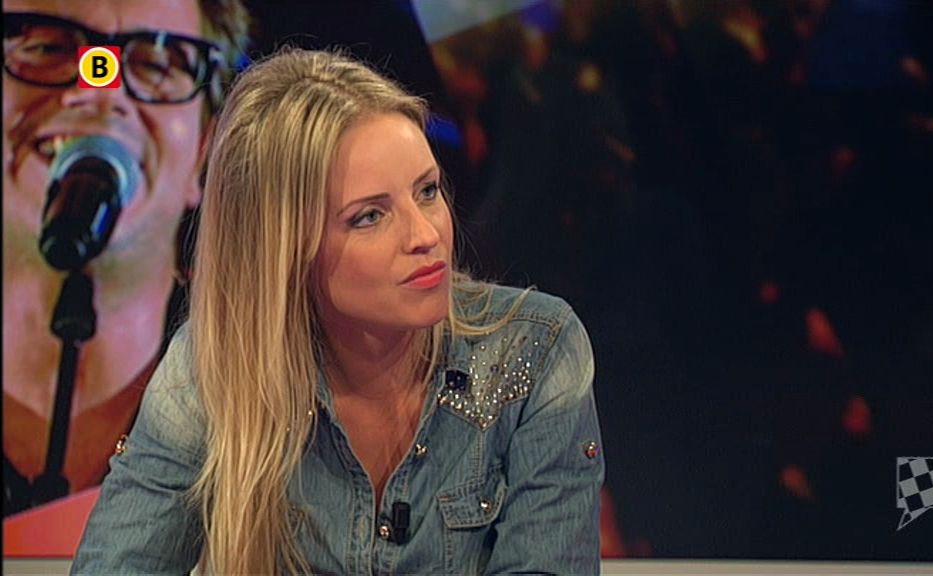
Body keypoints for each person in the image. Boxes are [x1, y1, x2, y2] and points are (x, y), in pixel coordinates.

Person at [71, 47, 604, 574]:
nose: (425, 235)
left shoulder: (535, 350)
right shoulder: (216, 365)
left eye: (427, 191)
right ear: (284, 250)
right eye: (369, 216)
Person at [2, 0, 249, 517]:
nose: (102, 89)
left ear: (204, 152)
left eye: (156, 63)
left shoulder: (280, 416)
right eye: (45, 47)